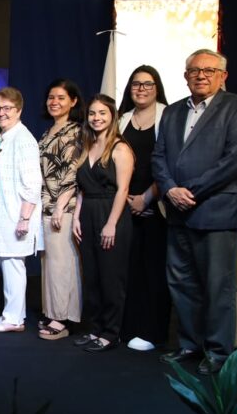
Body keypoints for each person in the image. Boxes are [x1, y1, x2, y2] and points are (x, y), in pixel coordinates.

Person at [153, 49, 237, 375]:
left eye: (209, 70)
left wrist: (190, 191)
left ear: (223, 76)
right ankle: (189, 345)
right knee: (182, 284)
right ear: (185, 76)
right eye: (194, 70)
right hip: (178, 212)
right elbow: (159, 157)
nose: (201, 75)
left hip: (217, 213)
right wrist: (170, 189)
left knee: (217, 287)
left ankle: (218, 353)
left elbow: (235, 160)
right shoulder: (171, 112)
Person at [0, 87, 43, 333]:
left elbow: (33, 183)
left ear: (19, 110)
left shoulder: (23, 139)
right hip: (5, 215)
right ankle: (12, 314)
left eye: (7, 108)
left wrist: (24, 217)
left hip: (17, 215)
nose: (1, 113)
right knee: (9, 264)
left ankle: (14, 319)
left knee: (14, 265)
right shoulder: (5, 137)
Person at [72, 95, 135, 353]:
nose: (96, 118)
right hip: (87, 212)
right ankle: (95, 328)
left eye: (102, 113)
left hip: (112, 213)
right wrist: (76, 215)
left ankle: (111, 333)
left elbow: (123, 190)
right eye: (92, 113)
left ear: (113, 117)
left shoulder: (121, 148)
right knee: (92, 277)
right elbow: (81, 188)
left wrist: (111, 224)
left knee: (111, 278)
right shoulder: (86, 146)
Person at [117, 65, 172, 352]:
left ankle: (152, 331)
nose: (141, 89)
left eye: (147, 84)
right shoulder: (122, 118)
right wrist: (126, 198)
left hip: (157, 207)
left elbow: (172, 164)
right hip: (125, 206)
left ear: (157, 87)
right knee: (129, 270)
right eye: (136, 84)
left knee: (154, 271)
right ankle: (127, 326)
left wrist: (146, 199)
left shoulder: (170, 116)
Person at [35, 79, 84, 340]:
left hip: (61, 209)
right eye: (51, 97)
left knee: (62, 265)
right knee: (51, 264)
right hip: (45, 207)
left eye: (61, 98)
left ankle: (61, 320)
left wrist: (60, 207)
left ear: (73, 101)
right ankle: (54, 313)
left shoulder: (76, 131)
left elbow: (73, 173)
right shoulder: (49, 131)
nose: (54, 102)